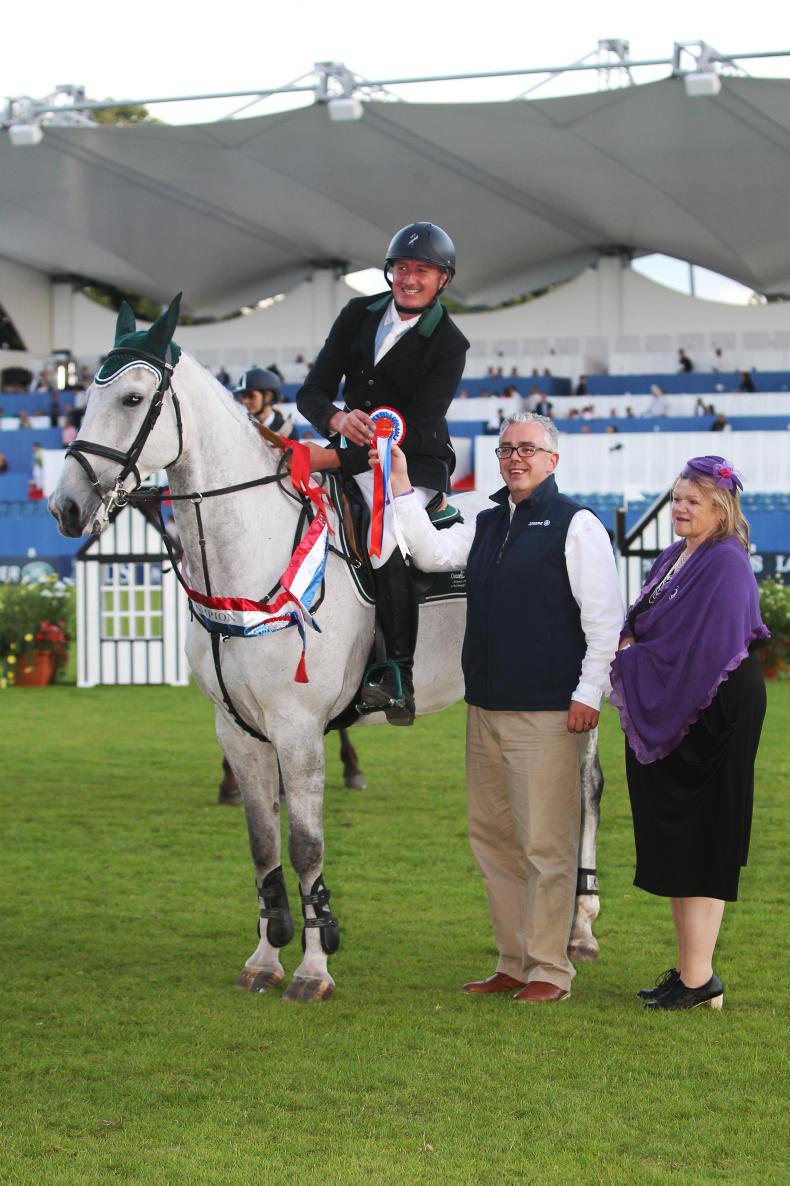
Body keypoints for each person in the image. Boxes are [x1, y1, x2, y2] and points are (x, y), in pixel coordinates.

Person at [372, 412, 624, 1002]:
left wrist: (589, 693)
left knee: (546, 846)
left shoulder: (576, 523)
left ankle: (550, 970)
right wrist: (403, 487)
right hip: (484, 708)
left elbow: (605, 621)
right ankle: (513, 960)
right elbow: (430, 554)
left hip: (548, 712)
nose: (515, 457)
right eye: (508, 448)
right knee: (495, 842)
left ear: (552, 460)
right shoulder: (486, 522)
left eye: (528, 449)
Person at [609, 456, 768, 1011]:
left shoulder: (726, 562)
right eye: (676, 498)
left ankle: (701, 982)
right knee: (679, 839)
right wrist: (631, 643)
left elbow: (706, 648)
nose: (680, 508)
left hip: (715, 708)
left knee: (704, 836)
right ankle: (688, 972)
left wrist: (633, 658)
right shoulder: (679, 554)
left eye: (692, 501)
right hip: (683, 703)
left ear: (720, 507)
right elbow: (647, 618)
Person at [296, 221, 469, 725]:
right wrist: (333, 419)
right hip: (347, 445)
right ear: (390, 271)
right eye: (402, 268)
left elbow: (417, 427)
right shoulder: (358, 313)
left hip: (412, 460)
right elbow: (313, 390)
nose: (410, 279)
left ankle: (397, 674)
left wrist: (338, 456)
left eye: (423, 271)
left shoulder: (449, 343)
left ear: (443, 280)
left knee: (383, 534)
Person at [233, 367, 292, 436]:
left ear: (268, 397)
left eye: (251, 396)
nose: (244, 401)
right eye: (243, 396)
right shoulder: (241, 426)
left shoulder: (287, 430)